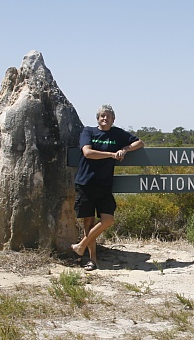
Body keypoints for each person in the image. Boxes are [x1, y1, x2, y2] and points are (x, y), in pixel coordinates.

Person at [71, 104, 144, 271]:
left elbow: (140, 143)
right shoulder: (88, 132)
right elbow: (88, 153)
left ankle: (80, 246)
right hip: (86, 183)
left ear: (113, 119)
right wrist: (112, 154)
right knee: (88, 223)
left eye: (108, 116)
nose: (105, 118)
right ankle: (92, 260)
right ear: (98, 118)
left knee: (108, 220)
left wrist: (124, 149)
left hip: (104, 184)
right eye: (102, 116)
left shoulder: (117, 133)